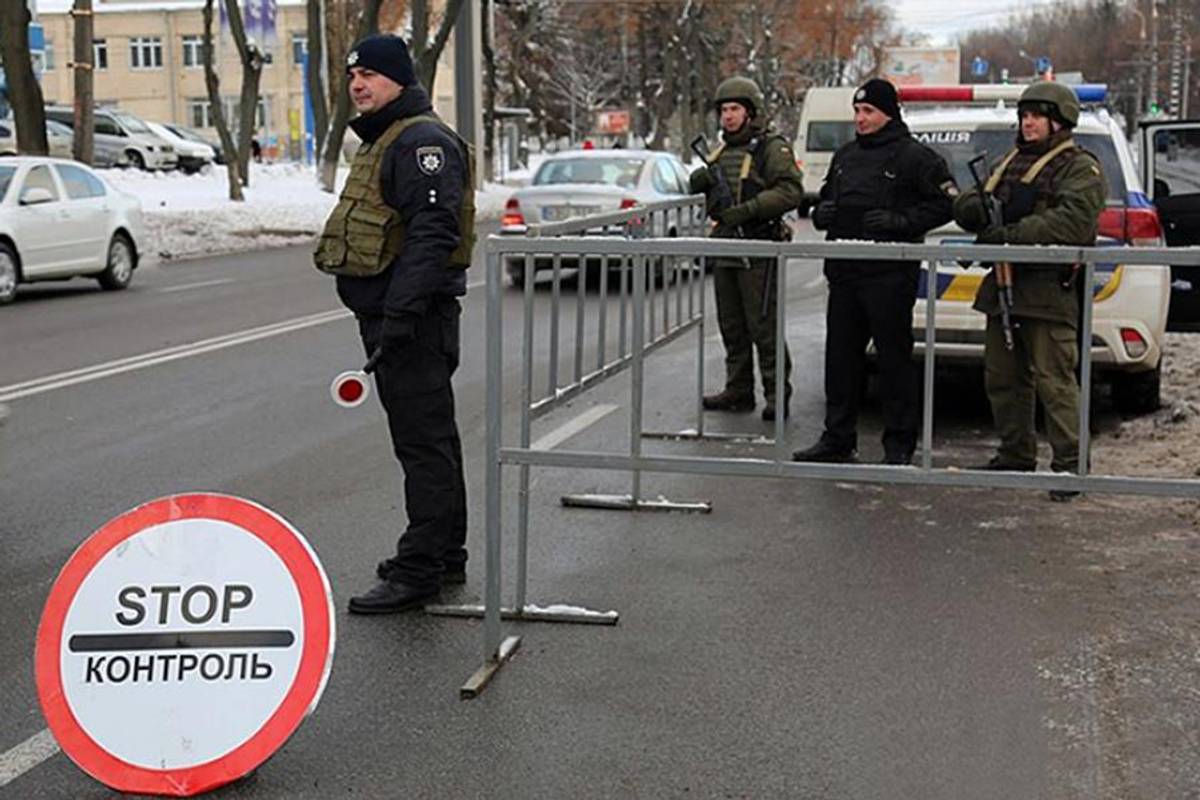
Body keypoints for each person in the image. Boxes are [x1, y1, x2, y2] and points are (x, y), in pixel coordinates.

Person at [314, 34, 475, 612]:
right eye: (353, 75)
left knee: (423, 446)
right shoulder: (390, 137)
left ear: (400, 79)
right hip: (401, 316)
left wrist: (401, 315)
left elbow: (433, 236)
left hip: (412, 320)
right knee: (434, 441)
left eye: (371, 75)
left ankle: (419, 570)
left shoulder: (420, 142)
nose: (359, 84)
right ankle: (443, 553)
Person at [952, 81, 1106, 501]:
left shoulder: (1080, 167)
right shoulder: (1009, 160)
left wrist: (1011, 235)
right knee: (1003, 378)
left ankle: (1070, 467)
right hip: (1004, 286)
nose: (1028, 122)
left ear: (1059, 121)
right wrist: (974, 211)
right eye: (1024, 115)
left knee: (1054, 383)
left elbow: (1072, 221)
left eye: (1037, 115)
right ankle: (1016, 452)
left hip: (1047, 292)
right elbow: (969, 203)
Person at [791, 78, 955, 465]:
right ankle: (837, 438)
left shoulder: (915, 158)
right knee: (841, 359)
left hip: (889, 276)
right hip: (845, 274)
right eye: (857, 111)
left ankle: (898, 443)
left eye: (868, 112)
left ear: (888, 114)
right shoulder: (846, 155)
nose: (860, 119)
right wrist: (821, 213)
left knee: (893, 361)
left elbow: (944, 206)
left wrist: (900, 221)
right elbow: (827, 199)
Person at [690, 76, 804, 421]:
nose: (728, 116)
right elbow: (713, 200)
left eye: (735, 109)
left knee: (763, 325)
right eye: (724, 110)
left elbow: (790, 190)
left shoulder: (771, 148)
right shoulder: (721, 151)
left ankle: (775, 394)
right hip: (726, 244)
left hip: (758, 246)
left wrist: (750, 209)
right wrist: (700, 184)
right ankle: (738, 390)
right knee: (732, 324)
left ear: (751, 112)